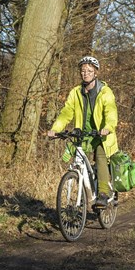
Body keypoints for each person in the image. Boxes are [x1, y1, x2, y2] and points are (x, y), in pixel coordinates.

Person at [47, 56, 118, 208]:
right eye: (83, 71)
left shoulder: (105, 92)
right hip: (83, 134)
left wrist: (108, 127)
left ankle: (103, 194)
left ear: (96, 73)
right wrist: (55, 129)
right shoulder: (76, 92)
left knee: (100, 157)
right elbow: (66, 112)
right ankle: (84, 191)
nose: (85, 73)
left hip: (101, 135)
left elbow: (111, 113)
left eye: (89, 71)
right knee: (77, 160)